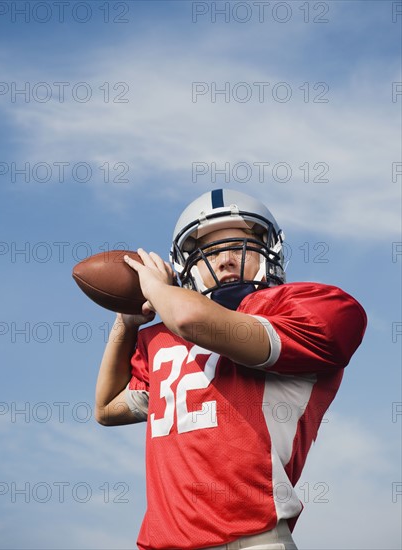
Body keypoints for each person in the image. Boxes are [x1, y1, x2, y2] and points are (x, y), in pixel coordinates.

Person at [95, 188, 367, 550]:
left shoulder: (311, 307)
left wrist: (156, 289)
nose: (224, 261)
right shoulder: (161, 338)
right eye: (208, 252)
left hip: (254, 541)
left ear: (270, 253)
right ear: (186, 269)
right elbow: (107, 407)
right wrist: (126, 325)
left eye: (240, 246)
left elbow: (191, 318)